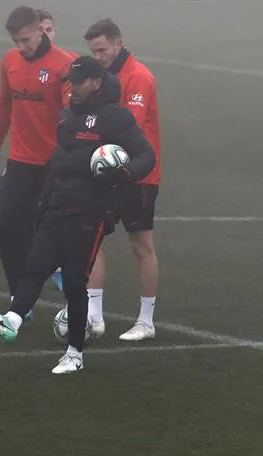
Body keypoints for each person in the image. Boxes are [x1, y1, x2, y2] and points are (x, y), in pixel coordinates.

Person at [0, 56, 156, 374]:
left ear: (96, 83)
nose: (72, 88)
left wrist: (125, 172)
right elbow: (58, 164)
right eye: (70, 82)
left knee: (74, 281)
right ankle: (11, 322)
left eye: (79, 82)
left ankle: (74, 353)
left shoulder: (117, 119)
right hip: (57, 205)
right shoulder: (67, 118)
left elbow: (146, 156)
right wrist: (44, 202)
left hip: (90, 211)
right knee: (35, 268)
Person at [81, 18, 163, 341]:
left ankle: (146, 321)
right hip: (105, 173)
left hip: (139, 174)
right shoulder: (99, 77)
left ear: (118, 43)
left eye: (102, 49)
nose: (98, 56)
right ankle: (94, 317)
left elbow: (132, 126)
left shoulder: (139, 77)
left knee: (141, 245)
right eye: (93, 51)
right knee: (93, 240)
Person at [0, 5, 74, 299]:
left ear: (41, 29)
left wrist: (69, 158)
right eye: (16, 42)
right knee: (7, 222)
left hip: (55, 162)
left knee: (53, 227)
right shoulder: (10, 61)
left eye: (26, 40)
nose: (21, 48)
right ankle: (18, 292)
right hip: (21, 160)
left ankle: (68, 278)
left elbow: (71, 116)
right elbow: (3, 105)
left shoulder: (65, 65)